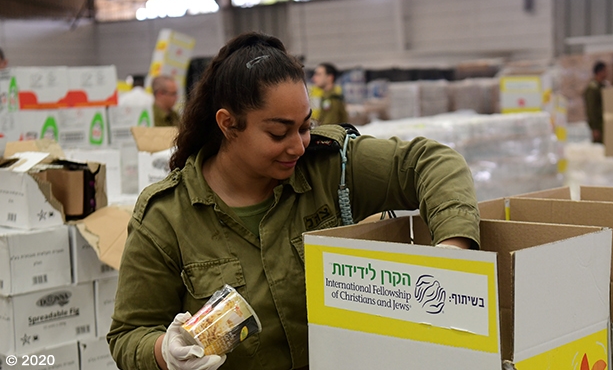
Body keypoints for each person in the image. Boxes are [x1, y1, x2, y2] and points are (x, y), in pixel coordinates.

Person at [107, 31, 480, 370]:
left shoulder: (329, 170)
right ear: (228, 124)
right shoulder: (166, 216)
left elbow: (431, 163)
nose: (297, 145)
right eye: (278, 132)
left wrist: (452, 253)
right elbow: (128, 336)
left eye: (305, 126)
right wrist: (166, 351)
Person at [584, 61, 608, 143]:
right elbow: (591, 109)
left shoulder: (602, 86)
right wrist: (594, 128)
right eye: (604, 71)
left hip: (603, 125)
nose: (606, 73)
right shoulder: (593, 88)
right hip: (598, 126)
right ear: (599, 72)